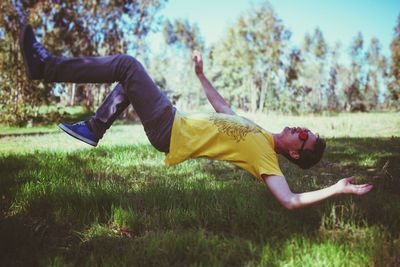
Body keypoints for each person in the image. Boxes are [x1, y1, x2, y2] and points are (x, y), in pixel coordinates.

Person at [20, 24, 373, 210]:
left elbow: (289, 200)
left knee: (127, 65)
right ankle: (95, 128)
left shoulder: (267, 160)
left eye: (303, 136)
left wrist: (337, 189)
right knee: (129, 83)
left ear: (296, 152)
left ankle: (44, 66)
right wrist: (201, 75)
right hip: (171, 123)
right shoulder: (260, 135)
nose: (299, 129)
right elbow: (223, 108)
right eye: (304, 129)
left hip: (169, 129)